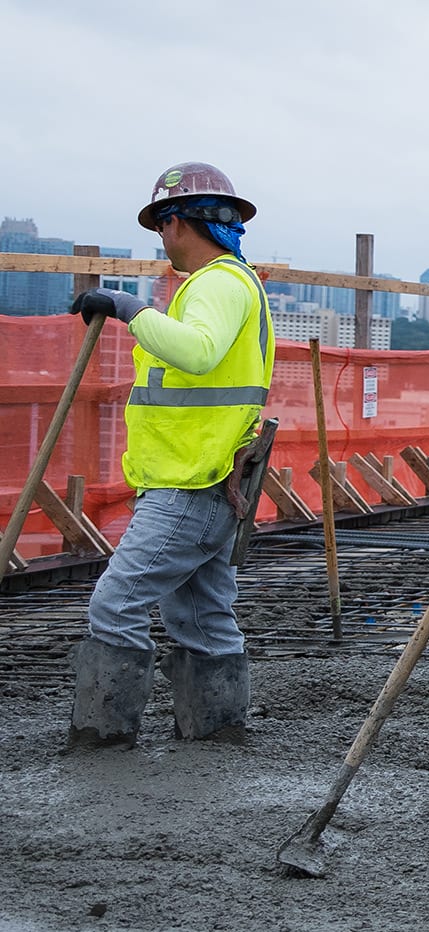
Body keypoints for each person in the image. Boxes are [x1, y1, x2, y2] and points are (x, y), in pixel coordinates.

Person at [66, 162, 273, 748]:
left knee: (114, 603)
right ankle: (218, 730)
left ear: (177, 222)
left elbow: (199, 354)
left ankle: (102, 738)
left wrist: (128, 307)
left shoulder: (216, 284)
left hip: (191, 483)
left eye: (163, 227)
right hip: (209, 481)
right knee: (203, 619)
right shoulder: (234, 283)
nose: (163, 242)